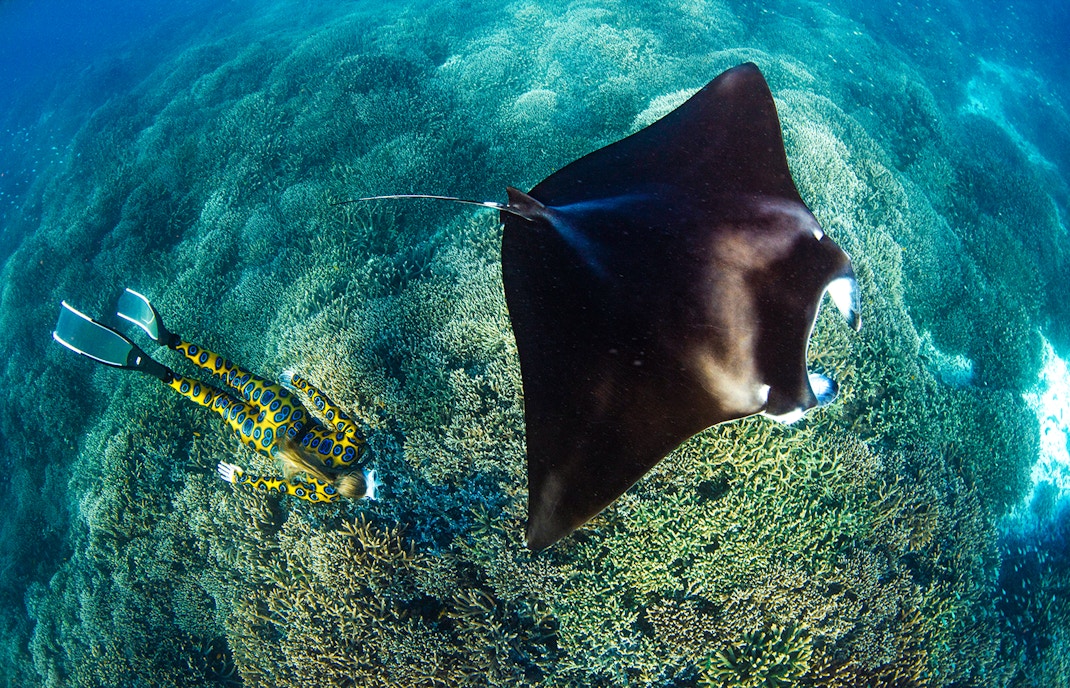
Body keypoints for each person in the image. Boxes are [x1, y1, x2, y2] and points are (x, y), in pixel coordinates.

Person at [52, 288, 381, 503]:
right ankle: (159, 371)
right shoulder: (327, 493)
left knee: (230, 375)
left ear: (367, 476)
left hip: (289, 414)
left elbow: (328, 409)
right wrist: (242, 477)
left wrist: (300, 382)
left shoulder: (357, 445)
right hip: (269, 442)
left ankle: (169, 340)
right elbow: (280, 485)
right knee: (217, 400)